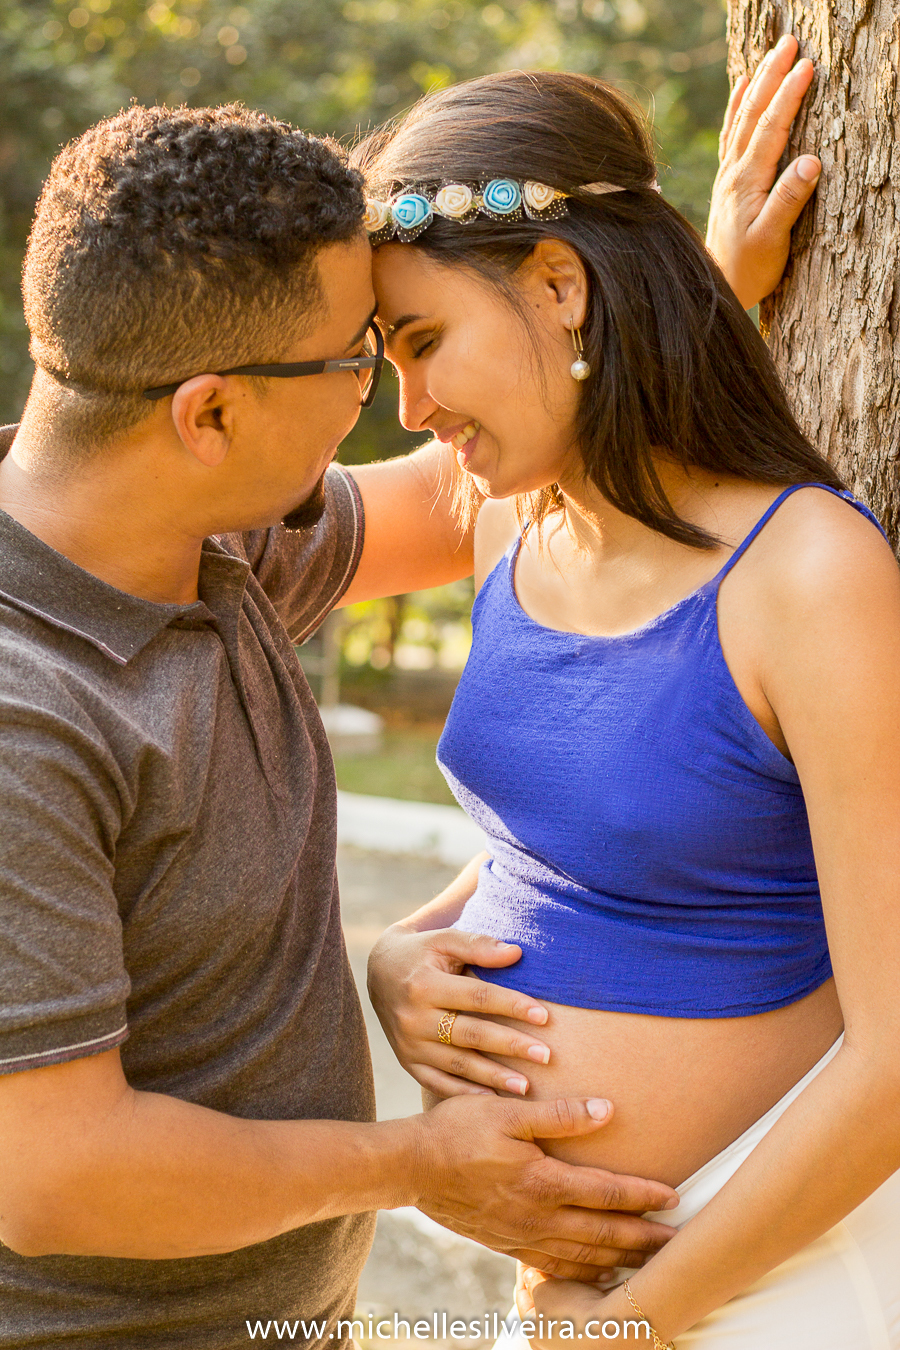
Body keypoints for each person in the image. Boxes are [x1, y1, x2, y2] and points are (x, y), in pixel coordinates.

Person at [0, 51, 822, 1349]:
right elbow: (51, 1175)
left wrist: (664, 298)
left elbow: (511, 462)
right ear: (211, 415)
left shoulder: (208, 533)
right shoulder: (25, 717)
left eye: (403, 345)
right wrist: (419, 1161)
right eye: (357, 358)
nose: (395, 403)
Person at [359, 38, 900, 1350]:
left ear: (559, 283)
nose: (409, 405)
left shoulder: (811, 577)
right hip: (582, 1302)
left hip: (775, 1269)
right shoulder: (507, 519)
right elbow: (601, 835)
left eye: (423, 342)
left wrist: (634, 1323)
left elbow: (897, 1052)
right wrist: (397, 954)